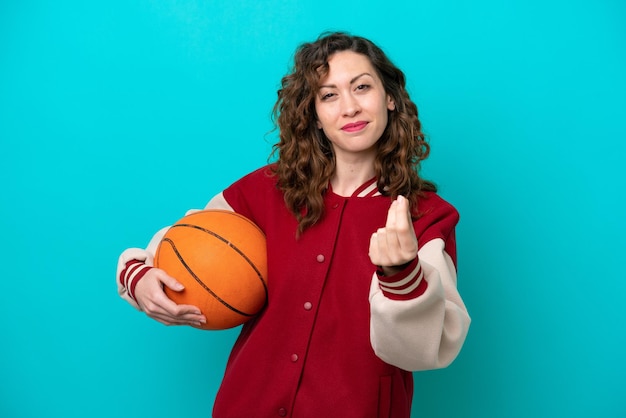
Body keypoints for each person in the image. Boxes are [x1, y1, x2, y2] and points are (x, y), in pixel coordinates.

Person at [117, 31, 470, 418]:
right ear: (315, 116)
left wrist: (401, 274)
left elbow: (428, 347)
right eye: (329, 95)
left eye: (362, 87)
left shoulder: (428, 215)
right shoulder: (268, 190)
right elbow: (184, 242)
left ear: (390, 98)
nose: (349, 107)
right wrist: (141, 275)